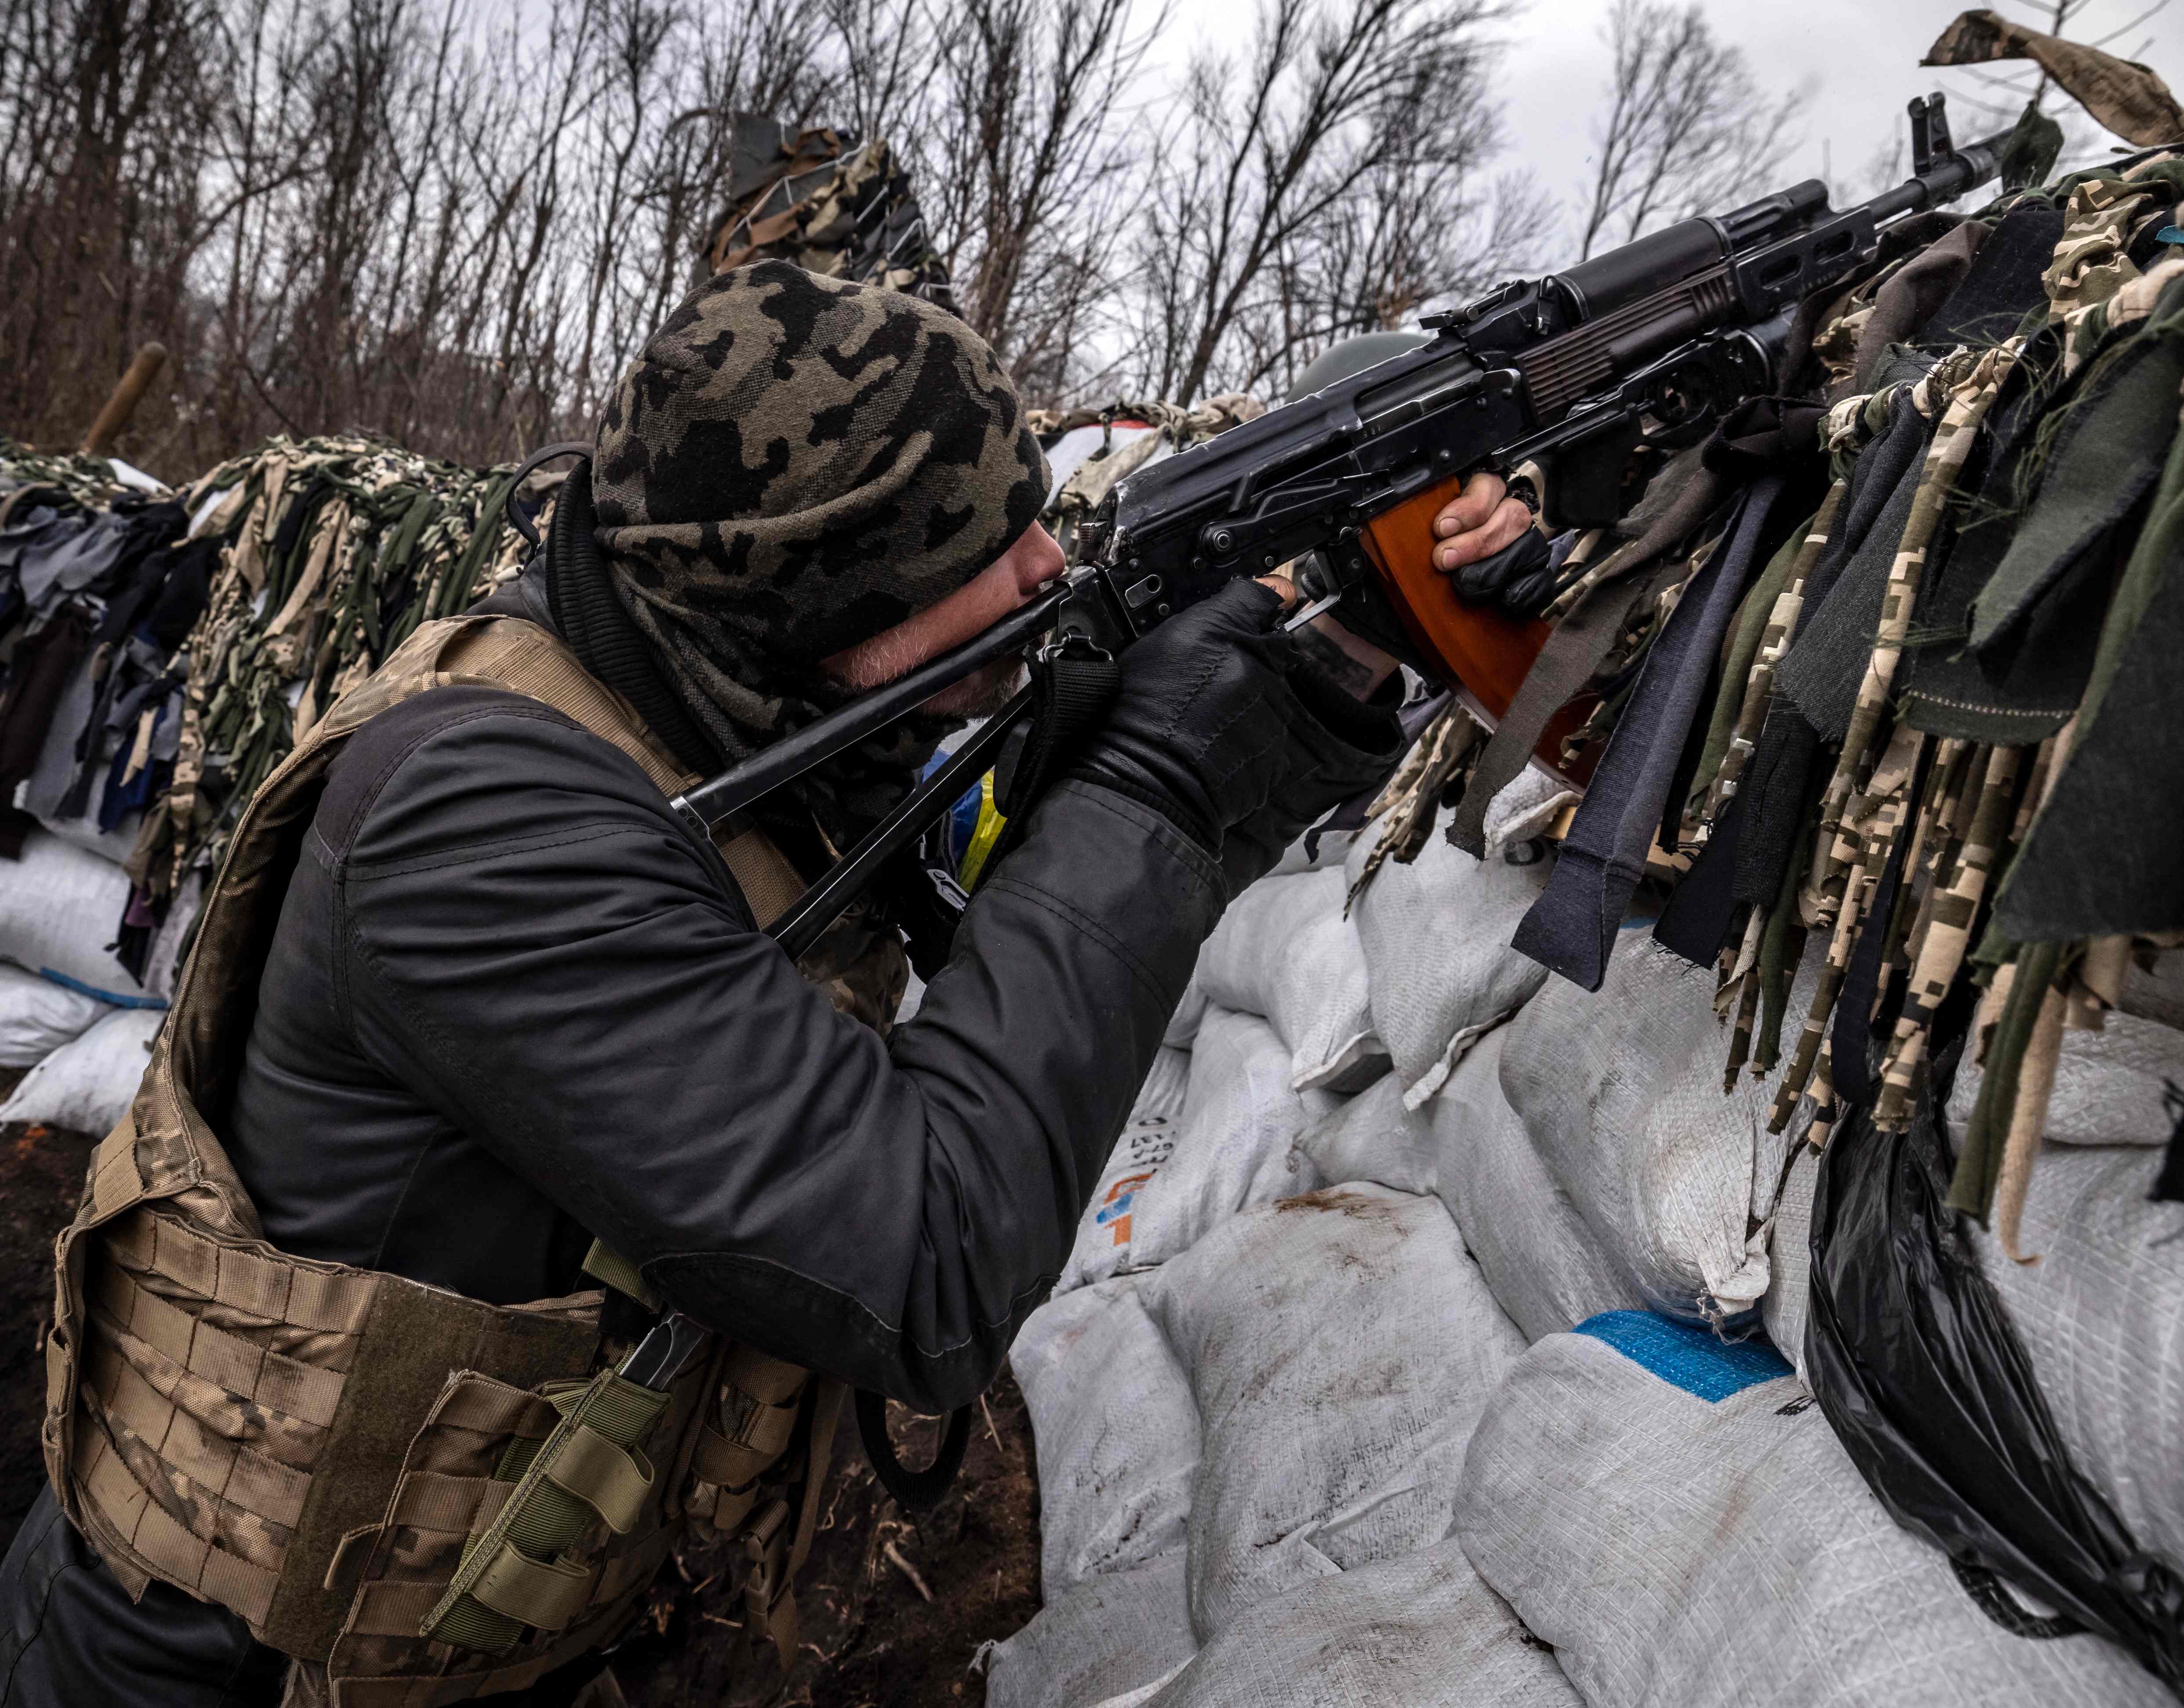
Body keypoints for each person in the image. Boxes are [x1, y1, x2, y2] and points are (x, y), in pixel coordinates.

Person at [0, 261, 1532, 1704]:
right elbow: (924, 1260)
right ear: (825, 607)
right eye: (982, 549)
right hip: (225, 1661)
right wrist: (1159, 785)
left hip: (465, 1620)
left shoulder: (731, 714)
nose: (1046, 565)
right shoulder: (478, 825)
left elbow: (1010, 893)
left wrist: (1327, 654)